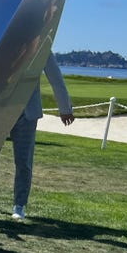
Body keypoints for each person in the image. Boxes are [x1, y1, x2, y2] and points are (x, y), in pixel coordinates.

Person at [9, 52, 74, 220]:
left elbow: (55, 78)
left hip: (27, 113)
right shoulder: (5, 39)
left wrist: (65, 108)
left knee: (24, 161)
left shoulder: (43, 46)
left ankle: (19, 205)